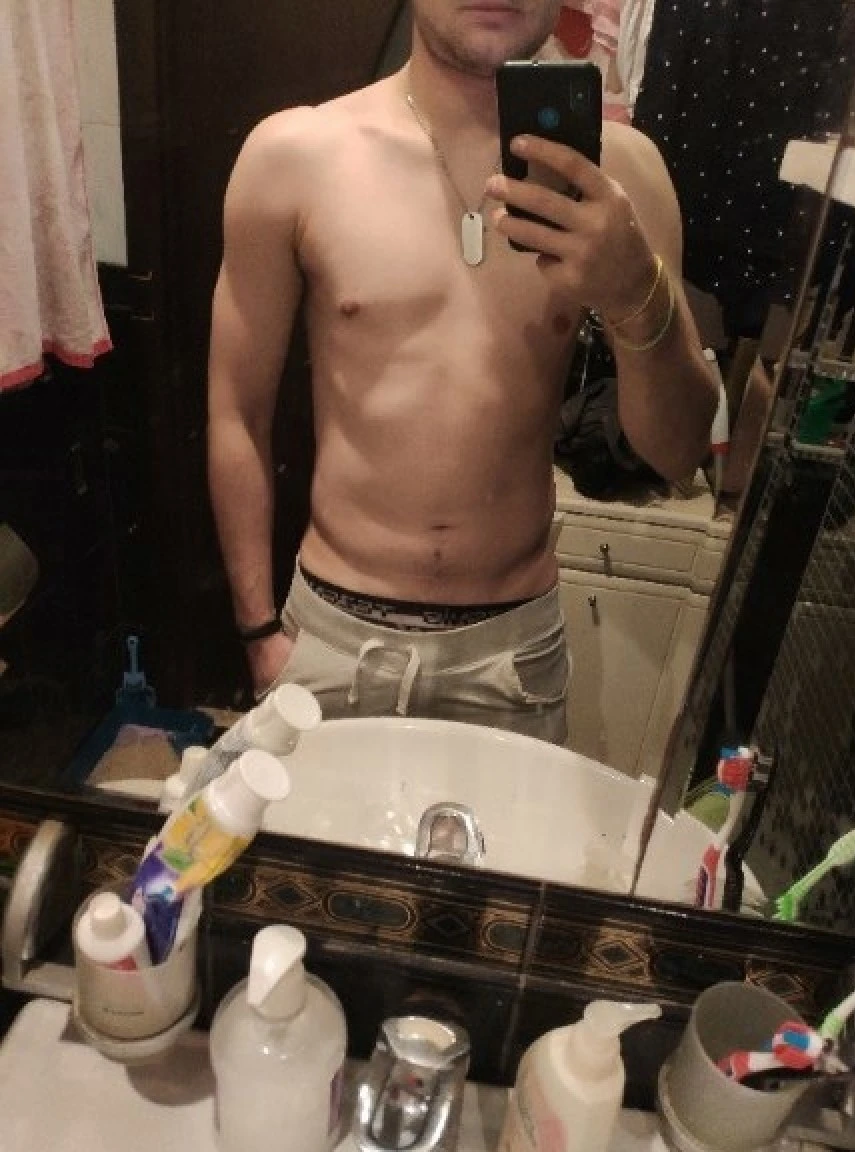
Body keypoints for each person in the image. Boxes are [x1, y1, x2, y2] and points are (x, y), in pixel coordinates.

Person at [207, 0, 718, 745]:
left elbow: (677, 451)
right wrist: (259, 634)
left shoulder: (624, 177)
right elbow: (236, 413)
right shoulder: (296, 156)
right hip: (329, 642)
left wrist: (638, 296)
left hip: (511, 658)